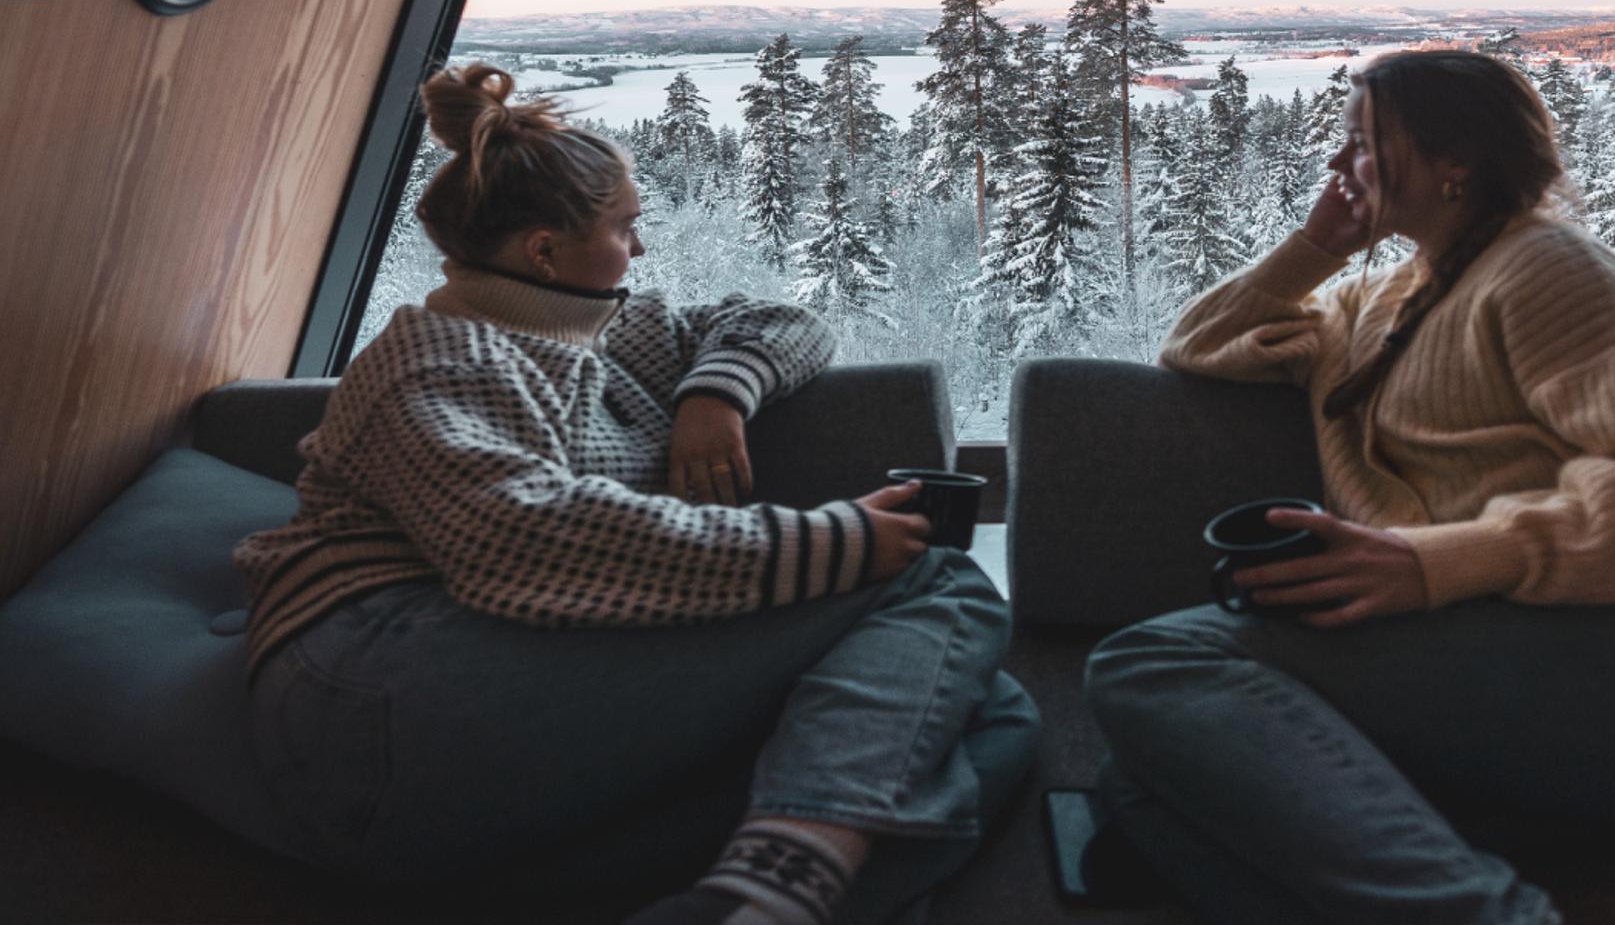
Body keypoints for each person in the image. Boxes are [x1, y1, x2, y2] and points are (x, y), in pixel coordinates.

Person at [234, 64, 1036, 925]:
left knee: (995, 719)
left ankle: (750, 897)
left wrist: (714, 395)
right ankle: (784, 885)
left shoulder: (615, 334)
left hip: (511, 688)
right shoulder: (435, 362)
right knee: (935, 587)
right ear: (544, 249)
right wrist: (834, 544)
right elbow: (522, 543)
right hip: (379, 693)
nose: (640, 249)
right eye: (626, 227)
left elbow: (788, 322)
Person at [1084, 49, 1615, 925]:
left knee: (1151, 665)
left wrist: (1435, 563)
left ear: (1454, 161)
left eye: (1360, 143)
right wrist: (1315, 247)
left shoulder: (1548, 271)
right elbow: (1196, 344)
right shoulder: (1379, 301)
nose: (1334, 164)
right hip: (1518, 654)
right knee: (1146, 789)